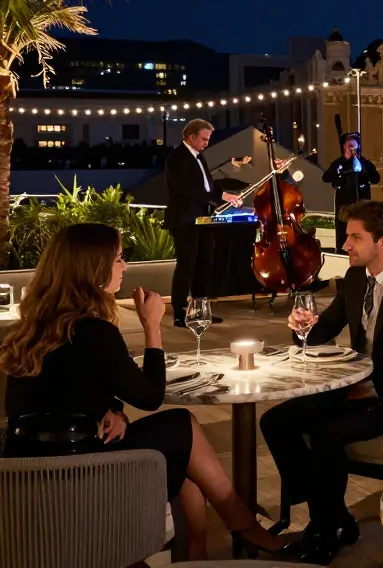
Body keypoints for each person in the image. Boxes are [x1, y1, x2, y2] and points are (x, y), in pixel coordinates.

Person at [0, 224, 286, 560]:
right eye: (118, 259)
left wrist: (113, 413)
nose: (124, 266)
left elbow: (64, 392)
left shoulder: (33, 329)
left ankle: (199, 552)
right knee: (182, 426)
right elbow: (150, 397)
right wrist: (152, 326)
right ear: (93, 267)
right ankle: (244, 527)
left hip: (29, 473)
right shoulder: (93, 330)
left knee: (183, 460)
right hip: (79, 475)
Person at [261, 200, 383, 564]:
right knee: (275, 421)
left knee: (326, 433)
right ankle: (332, 515)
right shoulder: (356, 277)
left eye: (355, 238)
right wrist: (303, 328)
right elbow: (324, 328)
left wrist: (372, 385)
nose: (345, 245)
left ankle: (324, 528)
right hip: (352, 385)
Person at [164, 119, 241, 327]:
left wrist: (225, 196)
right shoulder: (177, 158)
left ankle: (200, 309)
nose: (207, 143)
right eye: (204, 139)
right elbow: (188, 190)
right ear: (191, 137)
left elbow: (207, 186)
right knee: (186, 265)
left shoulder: (199, 157)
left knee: (204, 264)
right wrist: (213, 199)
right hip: (185, 220)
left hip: (201, 219)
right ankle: (180, 312)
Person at [322, 134, 381, 250]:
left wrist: (364, 166)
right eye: (349, 146)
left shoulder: (364, 162)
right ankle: (343, 252)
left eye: (354, 146)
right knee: (344, 233)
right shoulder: (339, 163)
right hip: (344, 207)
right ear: (344, 148)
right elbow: (326, 178)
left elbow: (376, 178)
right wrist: (337, 174)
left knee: (361, 231)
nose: (352, 149)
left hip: (361, 205)